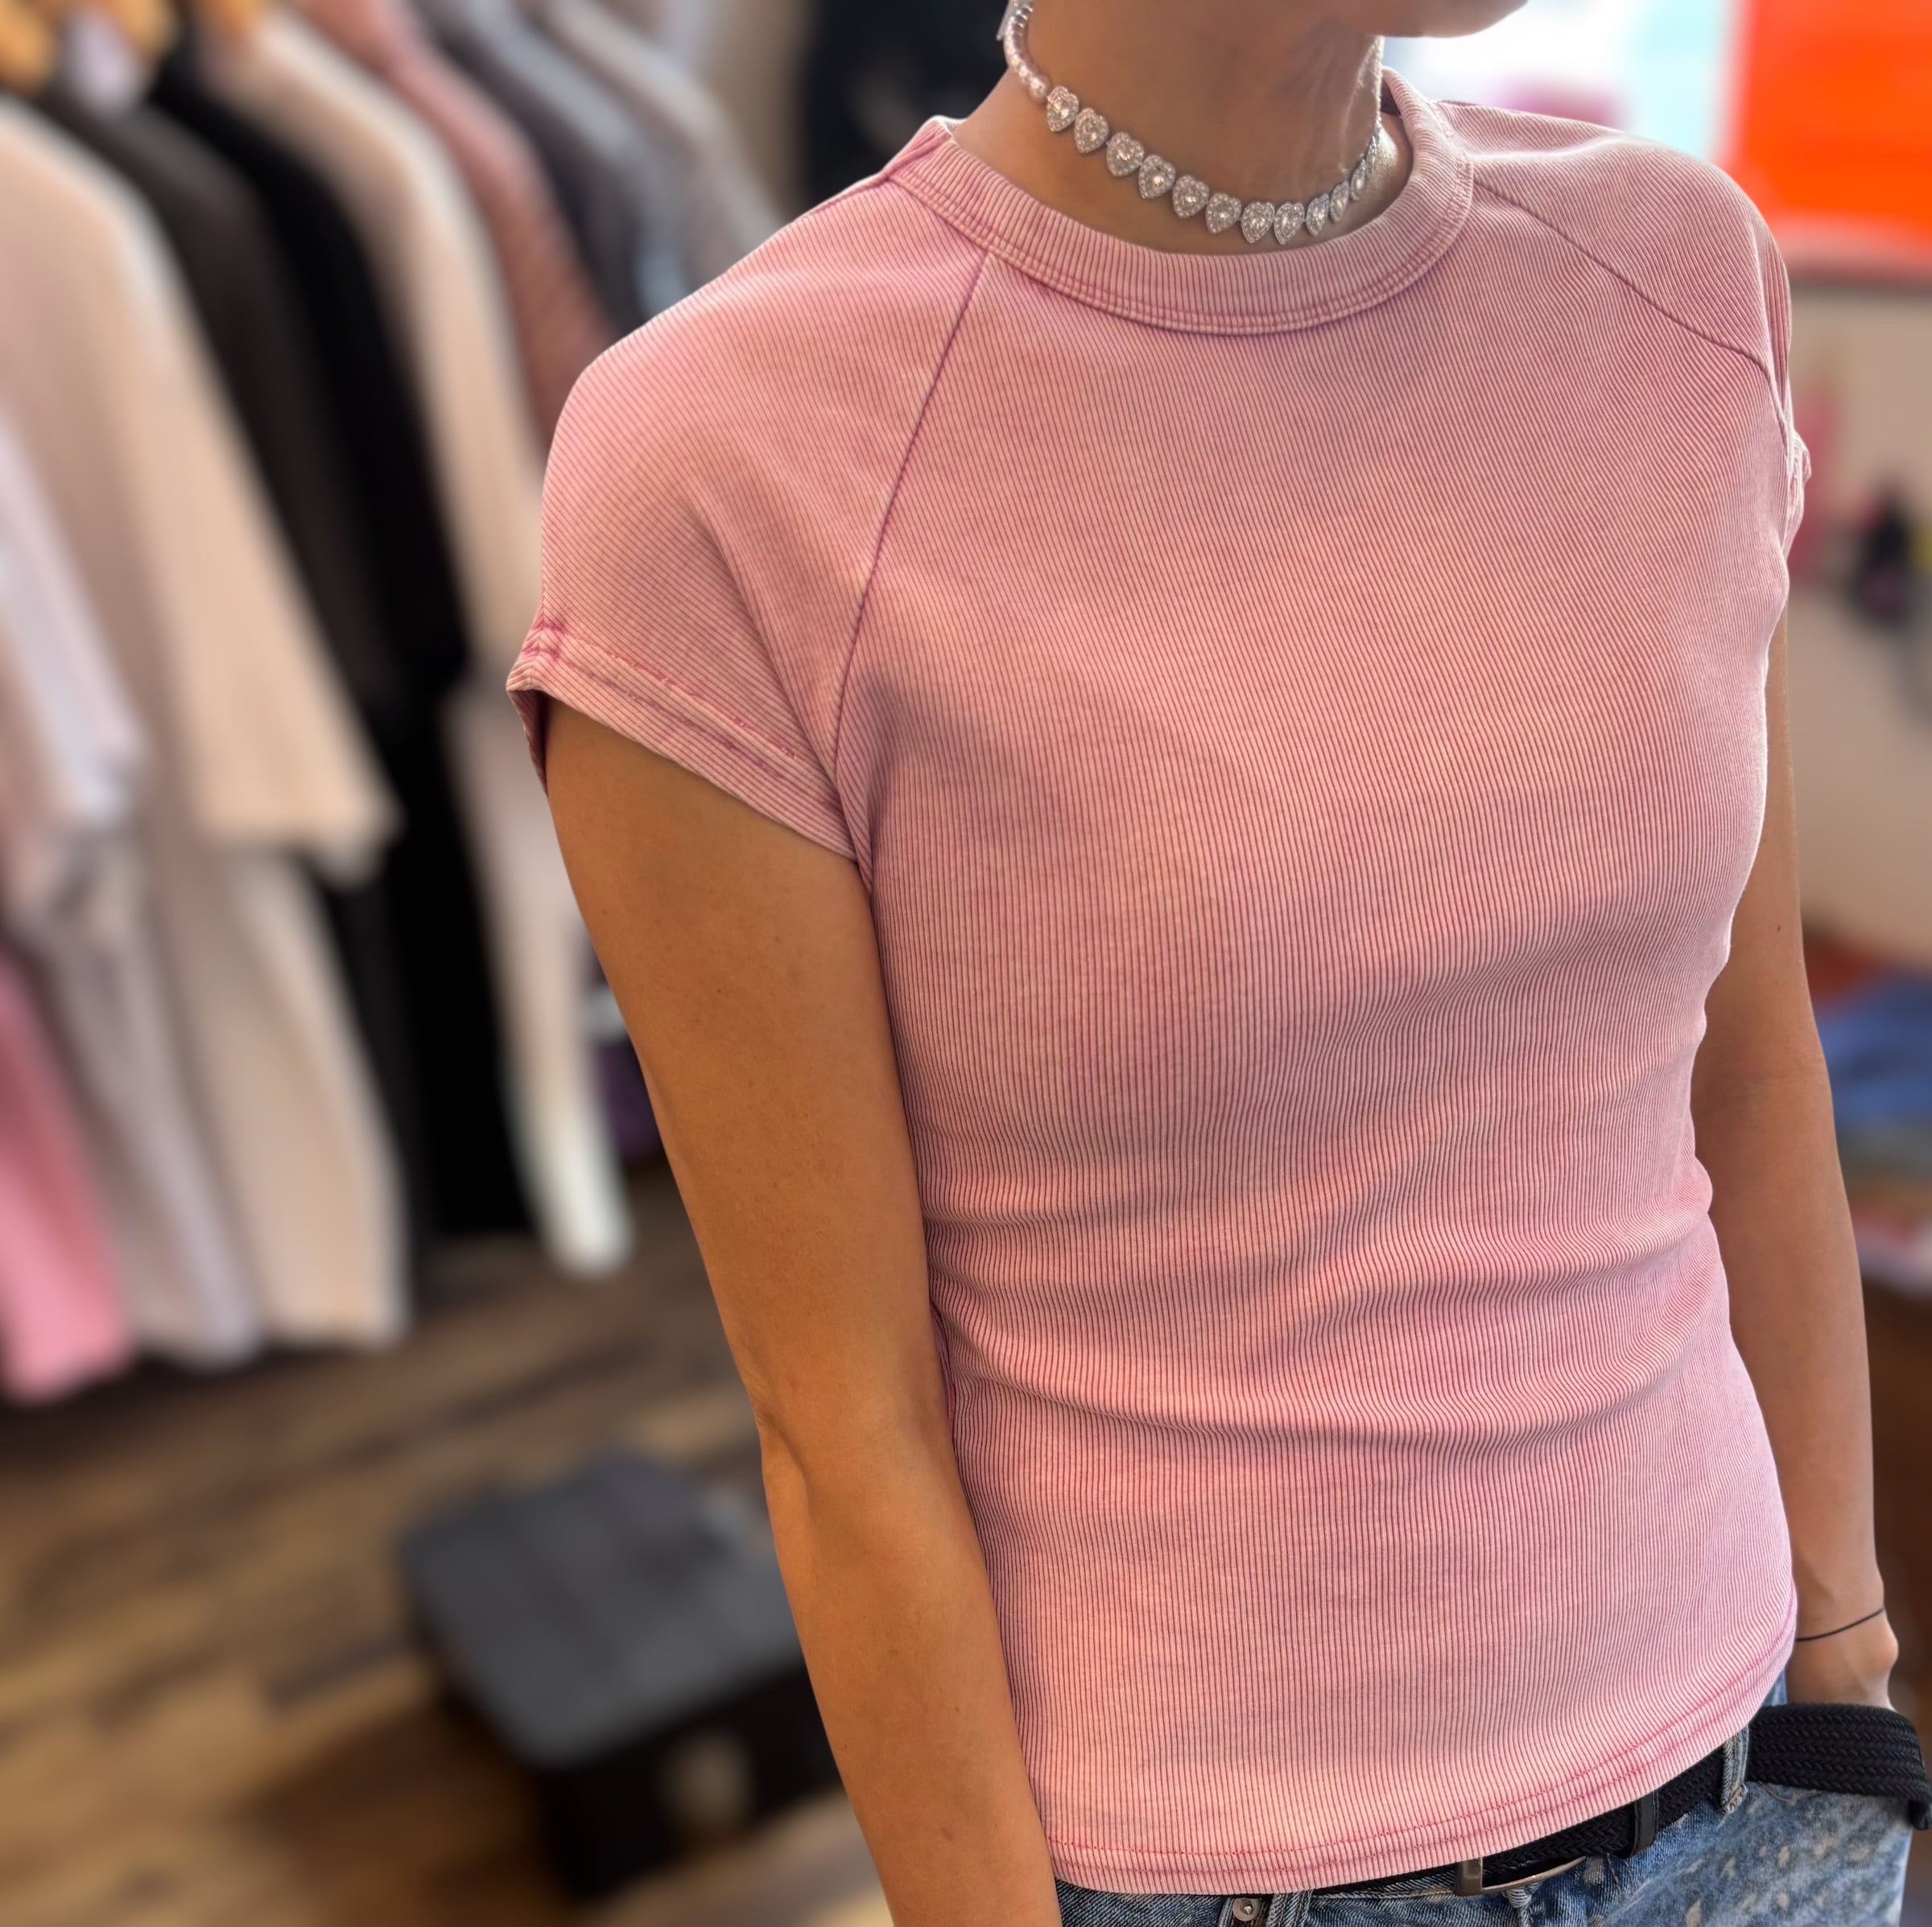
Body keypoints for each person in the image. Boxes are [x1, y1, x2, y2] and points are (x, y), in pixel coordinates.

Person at [505, 2, 1918, 1920]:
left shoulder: (1670, 269)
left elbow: (1745, 1064)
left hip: (1760, 1782)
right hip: (1219, 1866)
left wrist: (1844, 1653)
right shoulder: (736, 461)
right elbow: (845, 1427)